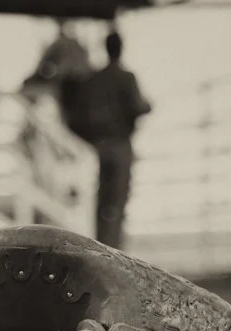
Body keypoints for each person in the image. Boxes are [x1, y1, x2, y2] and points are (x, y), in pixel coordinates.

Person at [81, 30, 151, 249]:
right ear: (121, 49)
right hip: (120, 144)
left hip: (100, 145)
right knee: (118, 199)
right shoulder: (125, 77)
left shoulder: (95, 79)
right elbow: (138, 106)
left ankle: (100, 246)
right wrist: (147, 106)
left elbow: (84, 113)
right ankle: (115, 249)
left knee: (102, 201)